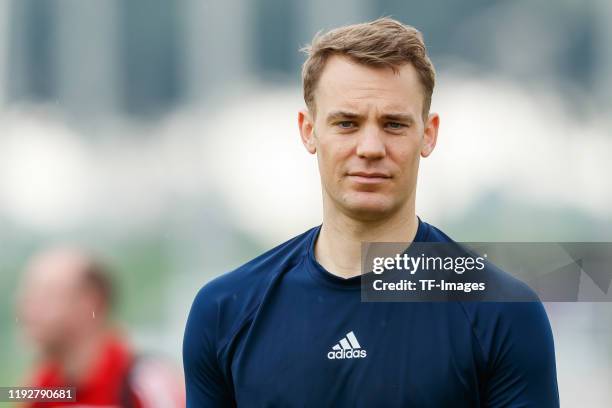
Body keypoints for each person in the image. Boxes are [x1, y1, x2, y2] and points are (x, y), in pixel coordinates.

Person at [183, 17, 560, 407]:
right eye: (347, 123)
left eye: (393, 124)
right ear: (308, 130)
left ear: (428, 134)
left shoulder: (501, 313)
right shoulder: (225, 311)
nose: (370, 147)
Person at [17, 246, 185, 407]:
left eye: (46, 294)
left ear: (90, 303)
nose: (26, 308)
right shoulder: (41, 387)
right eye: (27, 295)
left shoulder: (145, 382)